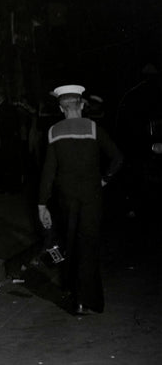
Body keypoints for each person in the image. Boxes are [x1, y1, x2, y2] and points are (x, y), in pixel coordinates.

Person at [38, 85, 122, 315]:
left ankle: (77, 301)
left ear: (61, 108)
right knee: (89, 244)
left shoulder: (54, 132)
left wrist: (42, 203)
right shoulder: (94, 128)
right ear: (82, 105)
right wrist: (104, 179)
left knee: (71, 244)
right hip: (92, 196)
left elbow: (48, 171)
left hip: (66, 198)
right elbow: (117, 158)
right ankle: (92, 299)